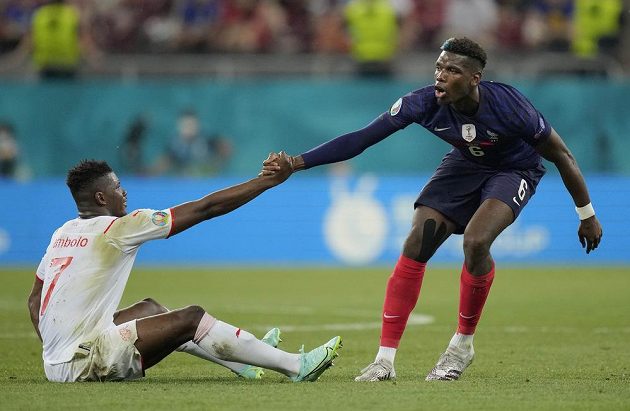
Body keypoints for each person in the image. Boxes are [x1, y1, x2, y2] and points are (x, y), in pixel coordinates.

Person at [264, 37, 602, 382]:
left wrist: (586, 213)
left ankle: (461, 347)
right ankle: (384, 361)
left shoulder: (510, 106)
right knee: (416, 241)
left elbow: (562, 155)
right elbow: (361, 138)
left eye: (452, 70)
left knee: (475, 242)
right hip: (464, 164)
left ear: (474, 78)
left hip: (514, 169)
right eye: (439, 67)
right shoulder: (422, 102)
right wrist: (296, 162)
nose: (440, 75)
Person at [27, 155, 342, 382]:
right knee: (190, 317)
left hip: (56, 361)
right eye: (117, 187)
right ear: (100, 197)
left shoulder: (63, 233)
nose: (123, 192)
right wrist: (266, 182)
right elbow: (206, 208)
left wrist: (57, 351)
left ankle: (241, 361)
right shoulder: (119, 228)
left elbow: (34, 300)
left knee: (150, 308)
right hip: (87, 360)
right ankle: (295, 366)